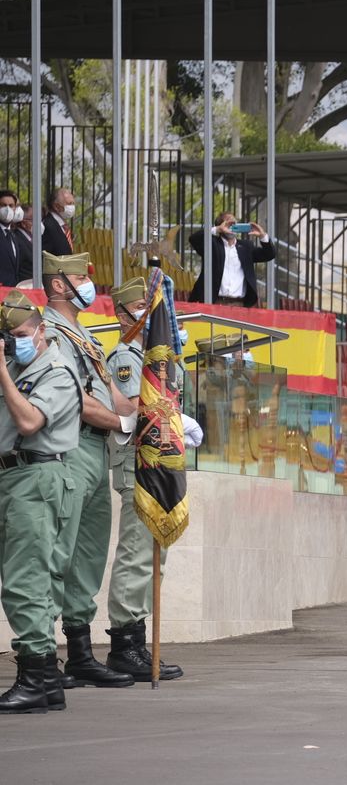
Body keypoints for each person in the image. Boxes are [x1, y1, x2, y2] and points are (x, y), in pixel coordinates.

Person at [41, 252, 136, 688]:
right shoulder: (52, 333)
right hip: (72, 447)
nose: (87, 284)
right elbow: (79, 400)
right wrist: (125, 422)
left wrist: (151, 412)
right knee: (56, 552)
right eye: (80, 277)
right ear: (58, 284)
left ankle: (79, 651)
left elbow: (114, 395)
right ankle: (40, 655)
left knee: (89, 554)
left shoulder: (86, 337)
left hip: (98, 452)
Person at [0, 292, 82, 712]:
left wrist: (2, 371)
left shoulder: (58, 371)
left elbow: (30, 421)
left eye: (20, 334)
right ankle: (47, 680)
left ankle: (34, 678)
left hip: (39, 474)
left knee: (25, 581)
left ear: (41, 329)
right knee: (31, 580)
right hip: (15, 475)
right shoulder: (17, 367)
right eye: (8, 336)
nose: (15, 343)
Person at [102, 277, 184, 681]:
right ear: (122, 314)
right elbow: (136, 406)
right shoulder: (127, 357)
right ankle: (124, 643)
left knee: (156, 553)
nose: (149, 318)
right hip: (137, 462)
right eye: (141, 309)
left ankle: (139, 641)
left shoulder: (155, 357)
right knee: (137, 553)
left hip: (157, 464)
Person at [187, 210, 277, 307]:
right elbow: (194, 239)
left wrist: (263, 236)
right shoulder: (212, 245)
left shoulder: (246, 247)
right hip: (215, 302)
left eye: (234, 222)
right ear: (221, 225)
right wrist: (216, 229)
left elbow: (269, 254)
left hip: (239, 304)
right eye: (228, 222)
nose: (232, 225)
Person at [0, 190, 33, 286]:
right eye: (3, 205)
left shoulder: (12, 235)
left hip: (13, 293)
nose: (7, 209)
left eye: (11, 206)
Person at [40, 187, 74, 257]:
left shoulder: (64, 227)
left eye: (73, 203)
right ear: (56, 206)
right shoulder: (47, 226)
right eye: (69, 204)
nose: (72, 207)